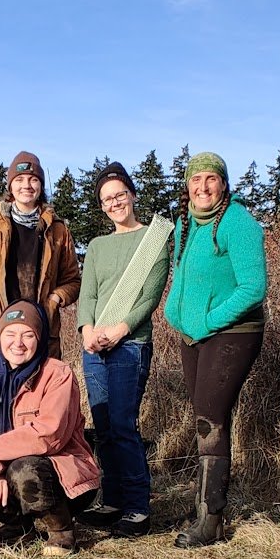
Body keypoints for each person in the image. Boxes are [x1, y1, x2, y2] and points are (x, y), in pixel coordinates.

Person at [163, 152, 266, 548]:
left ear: (223, 184)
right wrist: (175, 312)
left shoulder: (238, 223)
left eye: (211, 179)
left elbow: (253, 287)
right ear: (187, 185)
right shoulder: (185, 224)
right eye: (195, 179)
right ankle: (206, 506)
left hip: (235, 332)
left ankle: (211, 521)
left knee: (210, 416)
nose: (202, 187)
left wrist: (208, 320)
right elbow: (182, 278)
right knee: (204, 415)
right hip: (195, 334)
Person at [0, 300, 99, 555]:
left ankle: (61, 530)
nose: (17, 343)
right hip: (5, 469)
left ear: (39, 338)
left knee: (25, 469)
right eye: (10, 334)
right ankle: (17, 527)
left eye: (27, 335)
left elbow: (49, 434)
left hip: (61, 476)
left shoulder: (57, 374)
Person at [75, 162, 170, 538]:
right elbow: (89, 294)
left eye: (119, 195)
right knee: (103, 427)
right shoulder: (98, 246)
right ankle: (111, 499)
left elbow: (150, 294)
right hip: (94, 347)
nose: (115, 203)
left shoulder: (155, 238)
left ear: (132, 194)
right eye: (106, 199)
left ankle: (136, 506)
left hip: (130, 344)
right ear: (101, 206)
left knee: (123, 424)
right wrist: (86, 330)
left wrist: (119, 329)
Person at [0, 151, 81, 371]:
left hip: (41, 333)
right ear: (10, 186)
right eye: (19, 179)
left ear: (41, 186)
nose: (27, 185)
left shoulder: (58, 231)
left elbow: (73, 280)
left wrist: (56, 297)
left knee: (38, 401)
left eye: (33, 179)